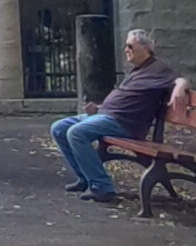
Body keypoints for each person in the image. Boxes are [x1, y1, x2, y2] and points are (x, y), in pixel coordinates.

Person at [48, 28, 183, 205]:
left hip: (124, 123)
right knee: (58, 128)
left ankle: (103, 188)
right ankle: (85, 178)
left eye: (130, 46)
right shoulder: (137, 70)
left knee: (76, 133)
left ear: (146, 47)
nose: (126, 50)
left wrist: (180, 86)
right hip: (106, 116)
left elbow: (180, 80)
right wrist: (99, 108)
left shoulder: (158, 70)